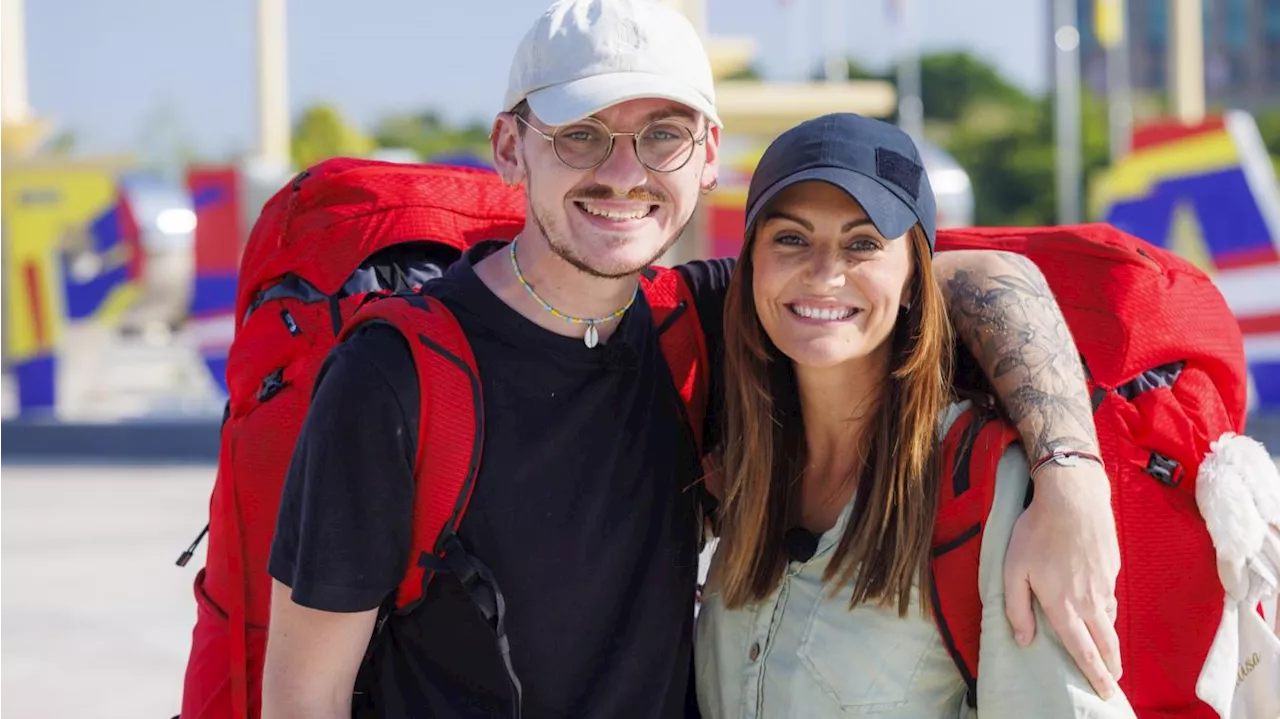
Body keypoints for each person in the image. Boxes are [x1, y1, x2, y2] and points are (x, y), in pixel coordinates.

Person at [261, 1, 1121, 717]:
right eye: (582, 134)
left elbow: (969, 276)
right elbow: (305, 697)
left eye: (662, 135)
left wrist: (1072, 475)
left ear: (708, 157)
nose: (624, 173)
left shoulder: (709, 318)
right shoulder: (394, 377)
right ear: (508, 145)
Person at [694, 113, 1134, 718]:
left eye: (864, 244)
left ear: (913, 281)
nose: (825, 273)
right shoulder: (741, 464)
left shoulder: (989, 492)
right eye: (790, 238)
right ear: (750, 266)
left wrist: (1072, 476)